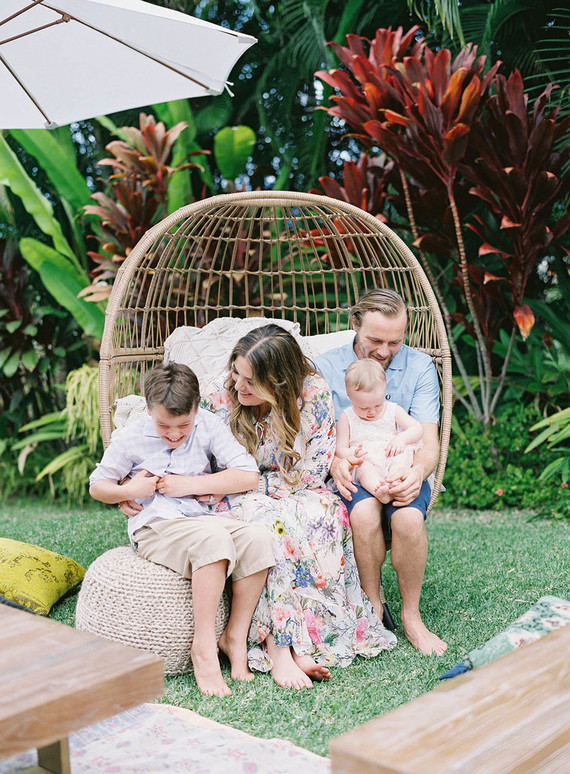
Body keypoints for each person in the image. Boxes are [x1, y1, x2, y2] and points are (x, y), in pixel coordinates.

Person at [202, 324, 396, 690]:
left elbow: (313, 468)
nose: (239, 386)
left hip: (299, 489)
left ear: (278, 383)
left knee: (321, 518)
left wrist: (264, 485)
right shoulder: (220, 398)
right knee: (268, 526)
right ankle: (281, 648)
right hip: (237, 493)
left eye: (250, 381)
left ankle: (303, 641)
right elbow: (201, 460)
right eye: (236, 373)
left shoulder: (312, 393)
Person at [89, 362, 275, 697]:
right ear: (148, 410)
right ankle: (203, 649)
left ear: (196, 406)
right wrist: (128, 491)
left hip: (197, 517)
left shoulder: (208, 424)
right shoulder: (132, 436)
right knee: (214, 540)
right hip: (156, 525)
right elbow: (97, 486)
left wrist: (190, 484)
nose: (174, 434)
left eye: (183, 425)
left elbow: (248, 474)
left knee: (258, 540)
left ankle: (234, 635)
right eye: (164, 426)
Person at [315, 289, 448, 656]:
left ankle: (411, 616)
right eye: (375, 339)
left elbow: (429, 440)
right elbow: (315, 436)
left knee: (407, 520)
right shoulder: (326, 368)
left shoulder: (419, 367)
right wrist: (337, 462)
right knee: (363, 513)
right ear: (354, 325)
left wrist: (417, 473)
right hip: (356, 472)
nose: (385, 351)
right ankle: (372, 604)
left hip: (403, 466)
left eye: (395, 341)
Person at [336, 358, 423, 504]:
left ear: (384, 390)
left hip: (390, 453)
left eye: (378, 404)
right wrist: (353, 454)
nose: (372, 412)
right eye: (363, 407)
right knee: (364, 470)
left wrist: (401, 439)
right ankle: (379, 490)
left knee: (401, 458)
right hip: (366, 459)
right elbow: (339, 449)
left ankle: (395, 482)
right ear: (349, 396)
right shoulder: (346, 417)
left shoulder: (392, 409)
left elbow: (417, 429)